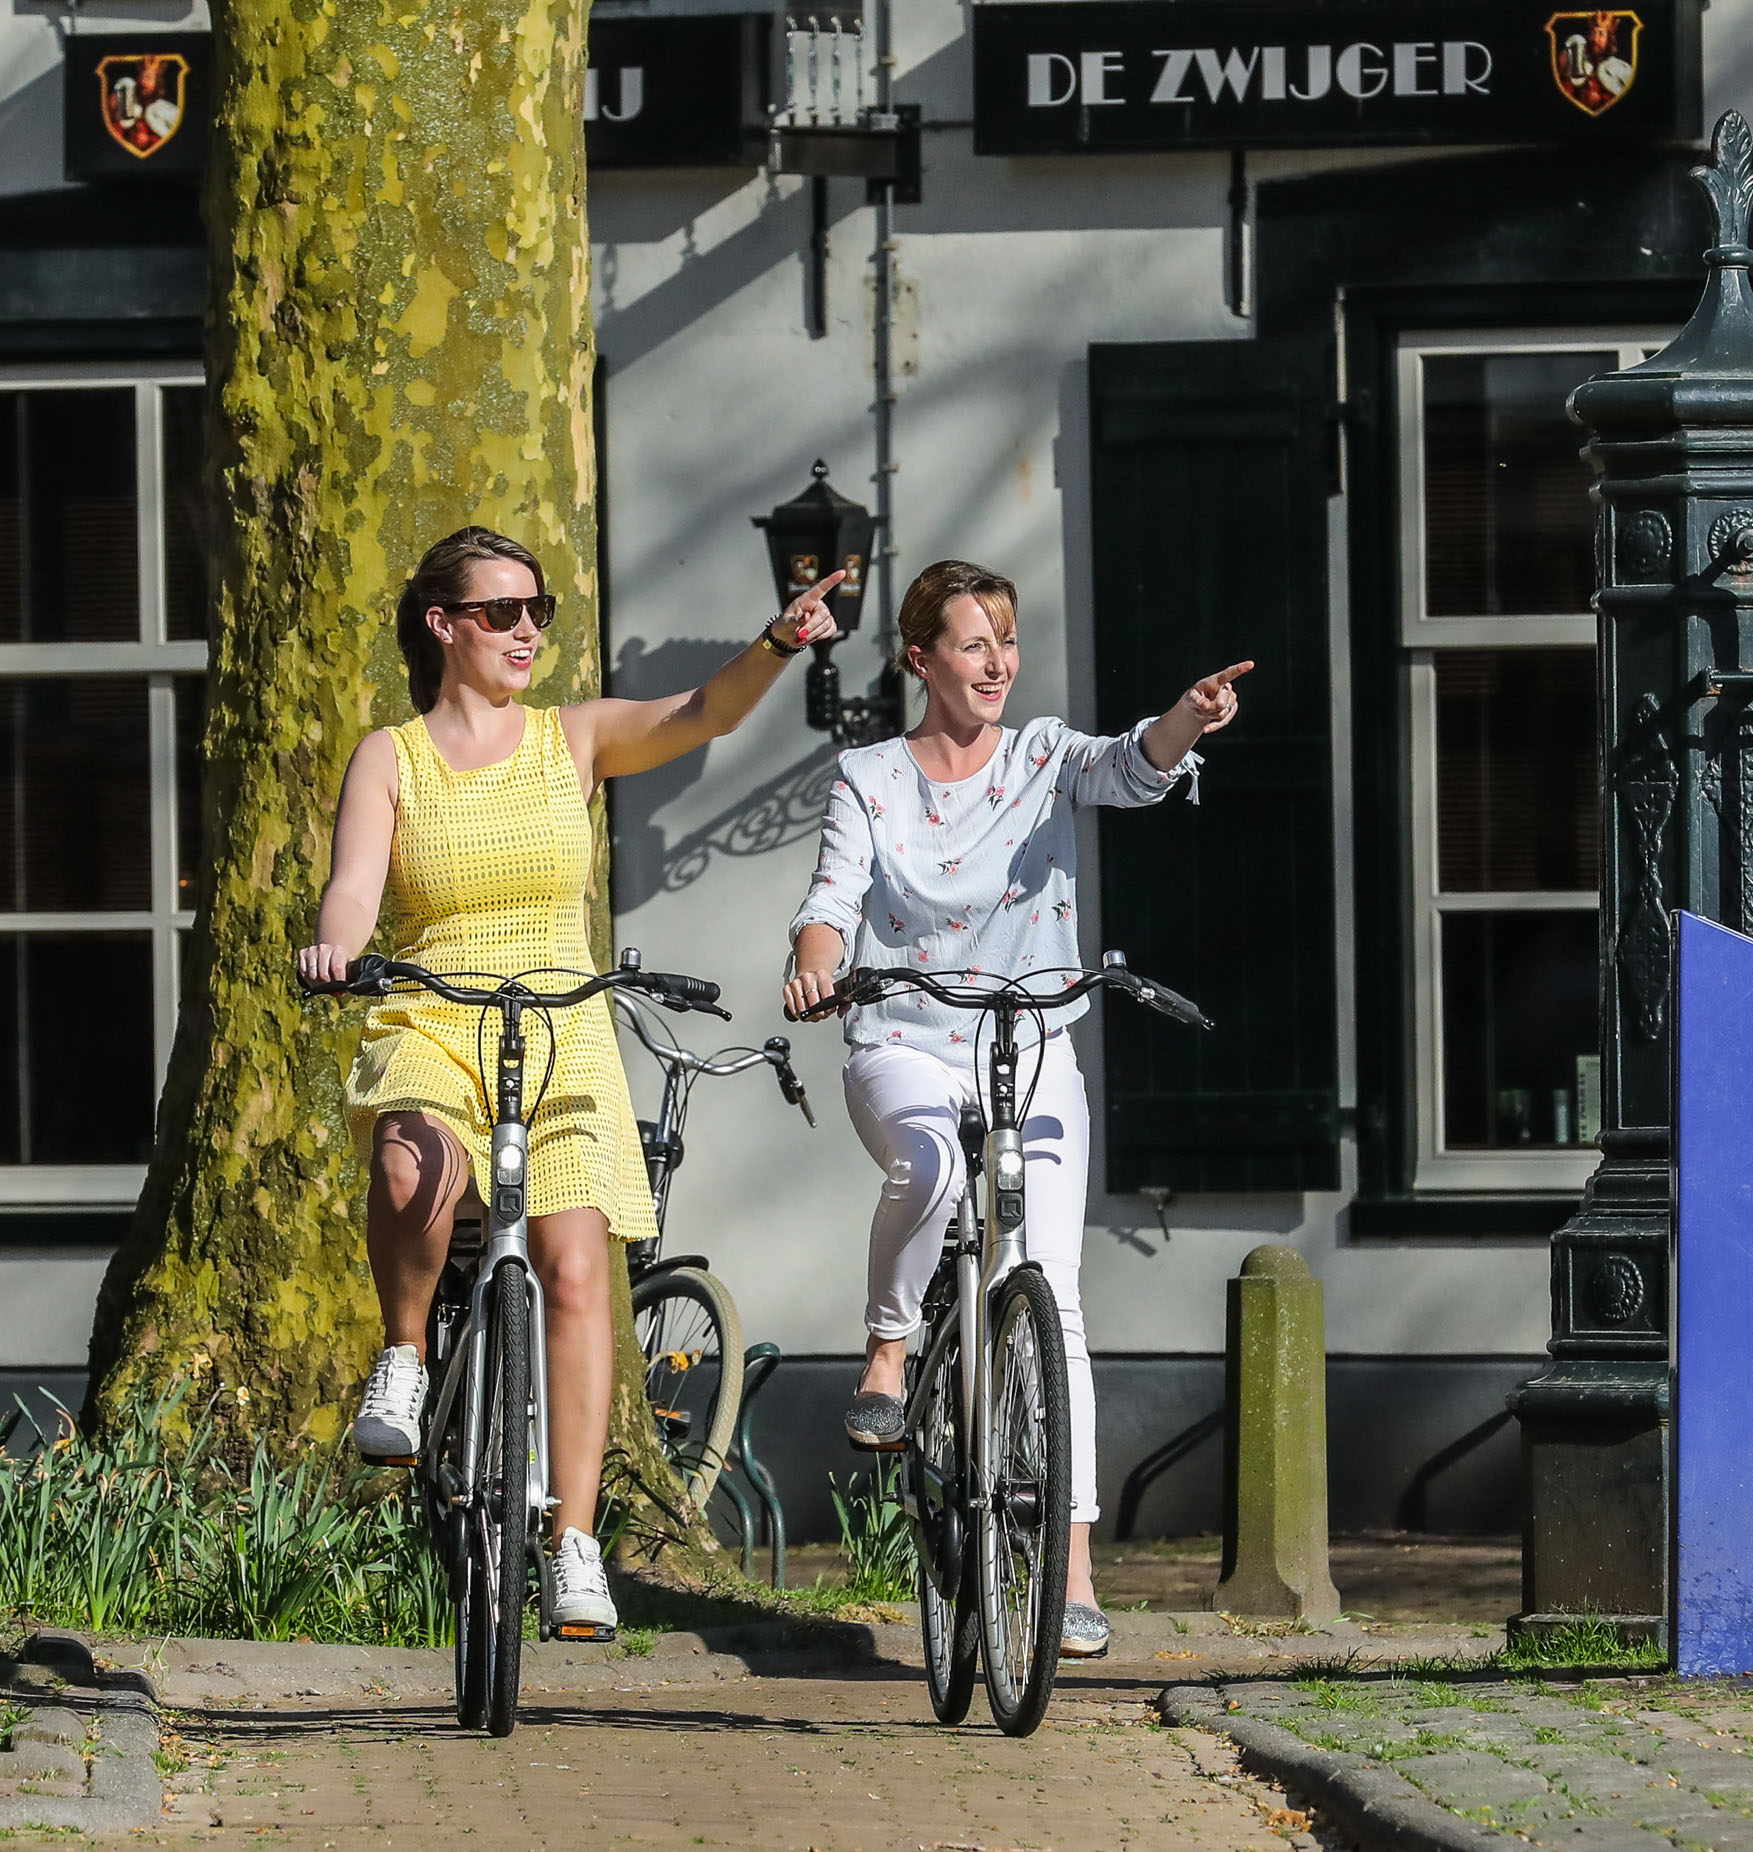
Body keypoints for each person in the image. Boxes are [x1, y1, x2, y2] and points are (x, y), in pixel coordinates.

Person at [297, 525, 842, 1640]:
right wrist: (338, 945)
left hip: (561, 1023)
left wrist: (779, 642)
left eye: (538, 609)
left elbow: (699, 714)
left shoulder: (572, 738)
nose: (527, 630)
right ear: (443, 624)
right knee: (413, 1167)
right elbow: (354, 888)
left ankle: (575, 1542)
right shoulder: (388, 757)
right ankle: (404, 1359)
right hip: (435, 1011)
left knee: (578, 1265)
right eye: (501, 611)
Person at [782, 558, 1249, 1662]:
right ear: (921, 660)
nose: (997, 663)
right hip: (904, 1041)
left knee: (1055, 1292)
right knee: (932, 1170)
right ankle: (891, 1351)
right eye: (972, 642)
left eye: (1007, 640)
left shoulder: (1042, 758)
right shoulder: (869, 778)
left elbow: (1127, 769)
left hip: (1033, 1048)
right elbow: (831, 902)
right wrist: (814, 965)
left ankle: (1075, 1572)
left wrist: (1185, 718)